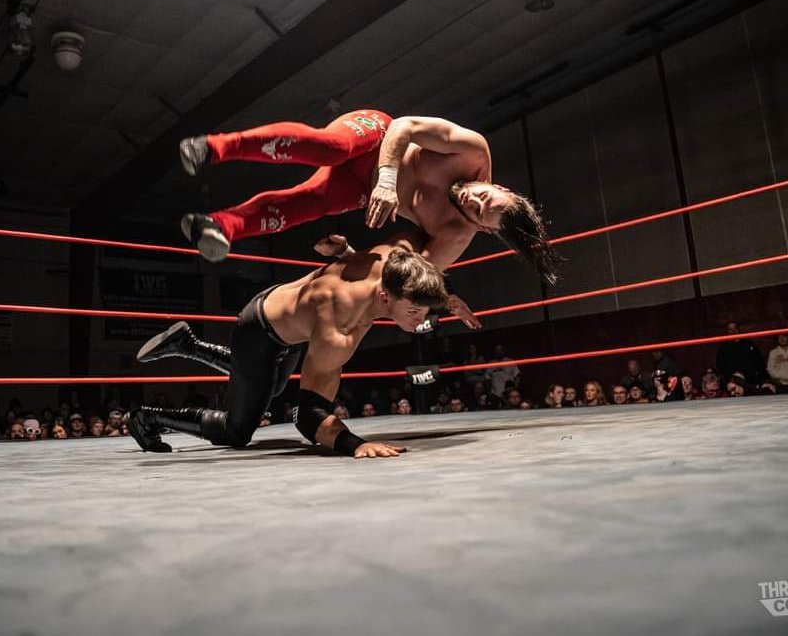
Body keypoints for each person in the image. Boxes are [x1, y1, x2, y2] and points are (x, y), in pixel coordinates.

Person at [128, 238, 448, 458]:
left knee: (272, 384)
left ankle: (188, 345)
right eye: (414, 311)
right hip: (258, 332)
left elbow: (415, 253)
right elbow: (306, 415)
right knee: (237, 431)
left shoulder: (390, 260)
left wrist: (447, 299)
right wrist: (354, 444)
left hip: (288, 312)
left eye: (425, 311)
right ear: (385, 298)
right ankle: (148, 417)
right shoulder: (339, 331)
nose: (421, 319)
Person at [177, 111, 560, 287]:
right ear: (502, 188)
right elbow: (405, 126)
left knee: (310, 202)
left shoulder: (454, 234)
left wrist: (348, 256)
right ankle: (215, 146)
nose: (473, 197)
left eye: (477, 211)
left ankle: (219, 226)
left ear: (482, 228)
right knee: (332, 146)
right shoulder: (473, 151)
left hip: (360, 189)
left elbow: (406, 278)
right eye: (485, 195)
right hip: (377, 138)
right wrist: (388, 179)